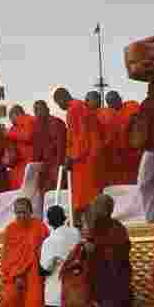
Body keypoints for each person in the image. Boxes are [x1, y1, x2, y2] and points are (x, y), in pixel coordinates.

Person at [81, 193, 135, 307]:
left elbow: (113, 254)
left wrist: (93, 248)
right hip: (114, 285)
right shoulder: (118, 228)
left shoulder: (100, 229)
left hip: (107, 285)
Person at [1, 197, 49, 307]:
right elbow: (7, 256)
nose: (20, 215)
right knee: (9, 298)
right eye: (17, 213)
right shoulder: (10, 230)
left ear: (31, 212)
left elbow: (46, 250)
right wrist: (16, 275)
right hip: (15, 275)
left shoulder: (40, 227)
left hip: (34, 272)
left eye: (23, 212)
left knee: (34, 303)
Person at [54, 88, 109, 227]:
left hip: (84, 158)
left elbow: (80, 136)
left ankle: (83, 223)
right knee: (88, 193)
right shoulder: (81, 106)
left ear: (62, 98)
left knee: (83, 195)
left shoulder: (74, 109)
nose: (59, 106)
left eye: (58, 102)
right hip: (92, 155)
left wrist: (71, 157)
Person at [38, 205, 82, 307]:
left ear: (48, 221)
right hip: (75, 287)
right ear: (64, 218)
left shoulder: (50, 241)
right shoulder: (75, 234)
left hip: (56, 289)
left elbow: (45, 268)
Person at [99, 90, 143, 185]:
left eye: (115, 100)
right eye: (110, 102)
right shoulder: (107, 114)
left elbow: (138, 123)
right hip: (118, 156)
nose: (113, 104)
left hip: (133, 153)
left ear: (120, 98)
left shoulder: (131, 106)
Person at [32, 100, 67, 194]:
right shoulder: (36, 125)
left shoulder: (57, 123)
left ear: (47, 109)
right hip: (44, 167)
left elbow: (61, 146)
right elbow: (36, 149)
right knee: (44, 193)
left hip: (56, 165)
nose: (37, 112)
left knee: (57, 192)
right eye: (35, 110)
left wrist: (60, 166)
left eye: (39, 109)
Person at [4, 104, 37, 191]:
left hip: (24, 163)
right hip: (24, 163)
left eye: (11, 118)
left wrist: (9, 134)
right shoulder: (16, 126)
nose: (11, 121)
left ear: (16, 114)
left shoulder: (28, 120)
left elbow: (28, 136)